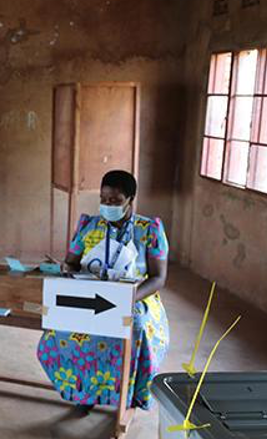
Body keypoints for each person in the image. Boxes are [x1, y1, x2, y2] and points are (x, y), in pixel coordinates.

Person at [38, 170, 169, 411]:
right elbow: (72, 262)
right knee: (62, 323)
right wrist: (66, 267)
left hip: (135, 296)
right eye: (104, 200)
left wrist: (127, 299)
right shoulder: (90, 225)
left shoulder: (149, 230)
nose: (108, 206)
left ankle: (125, 397)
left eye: (115, 201)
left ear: (130, 199)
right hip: (90, 293)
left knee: (134, 323)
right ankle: (85, 390)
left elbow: (158, 278)